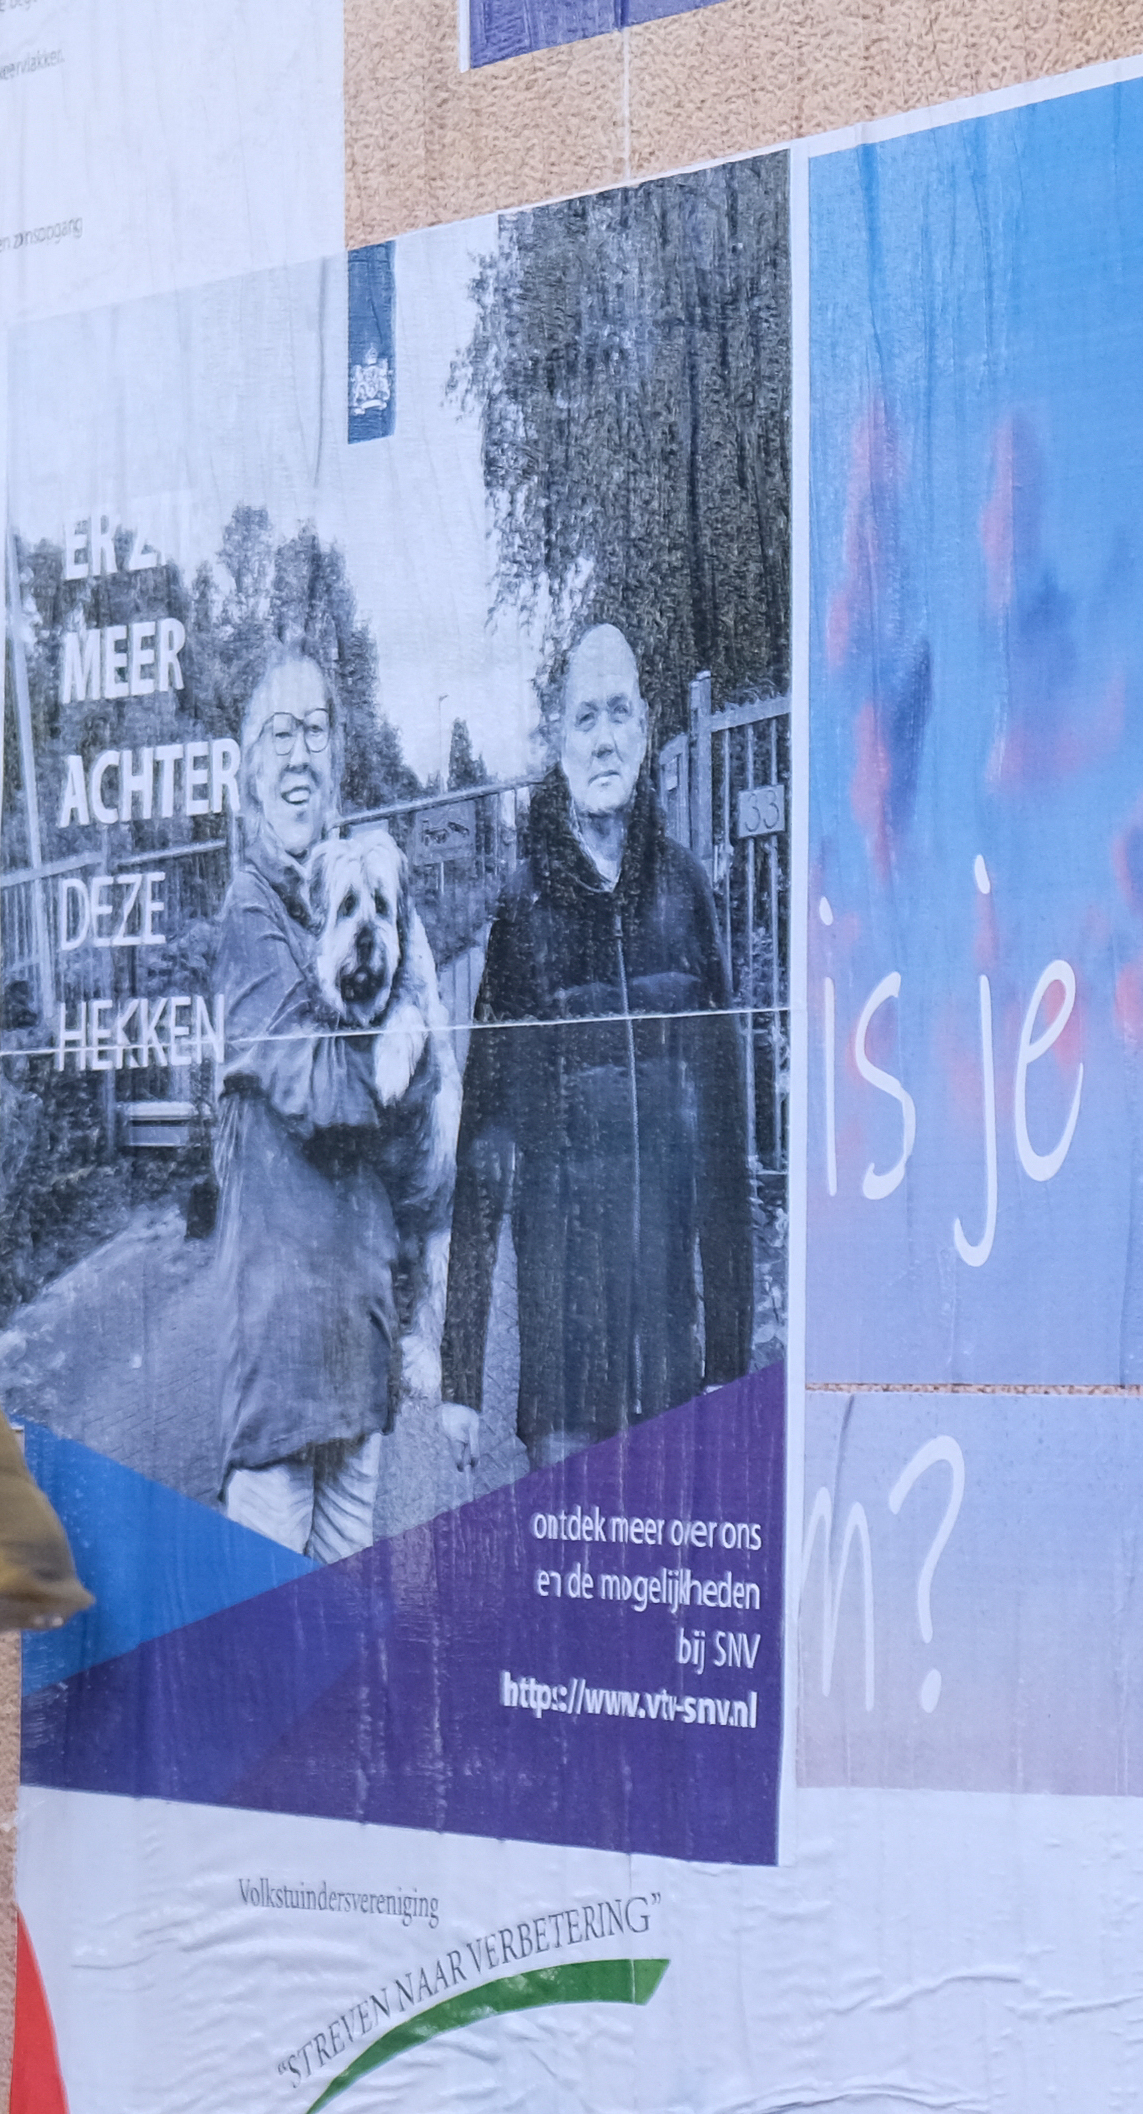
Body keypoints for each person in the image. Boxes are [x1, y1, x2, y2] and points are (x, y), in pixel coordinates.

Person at [435, 619, 754, 1459]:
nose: (604, 738)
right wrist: (461, 1378)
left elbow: (725, 1144)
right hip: (562, 1372)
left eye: (619, 713)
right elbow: (484, 1143)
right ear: (559, 739)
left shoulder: (687, 894)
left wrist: (728, 1362)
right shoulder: (522, 909)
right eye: (585, 717)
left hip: (667, 1352)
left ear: (645, 730)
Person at [196, 648, 443, 1556]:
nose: (299, 754)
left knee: (342, 1616)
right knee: (264, 1619)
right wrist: (413, 1049)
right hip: (281, 1354)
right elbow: (326, 1090)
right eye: (278, 734)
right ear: (249, 767)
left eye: (315, 731)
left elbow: (422, 1158)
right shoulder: (250, 912)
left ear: (338, 755)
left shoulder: (359, 883)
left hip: (357, 1343)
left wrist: (417, 1055)